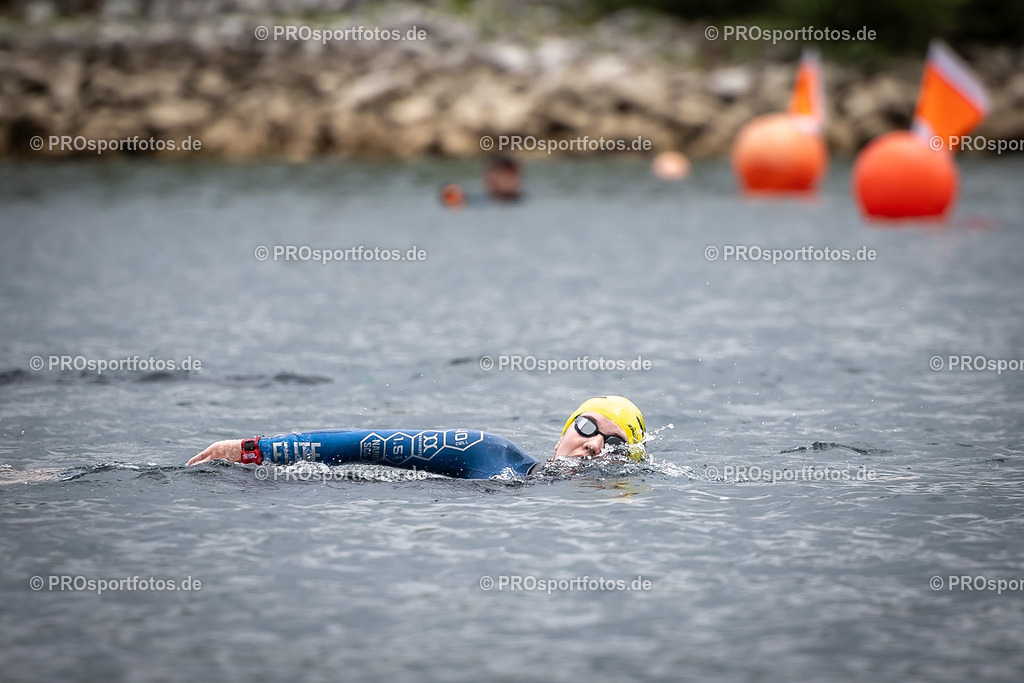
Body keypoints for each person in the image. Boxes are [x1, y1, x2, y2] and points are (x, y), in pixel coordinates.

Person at [187, 395, 646, 478]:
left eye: (615, 443)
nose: (595, 445)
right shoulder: (490, 453)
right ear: (566, 429)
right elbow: (370, 444)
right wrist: (254, 450)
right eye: (588, 427)